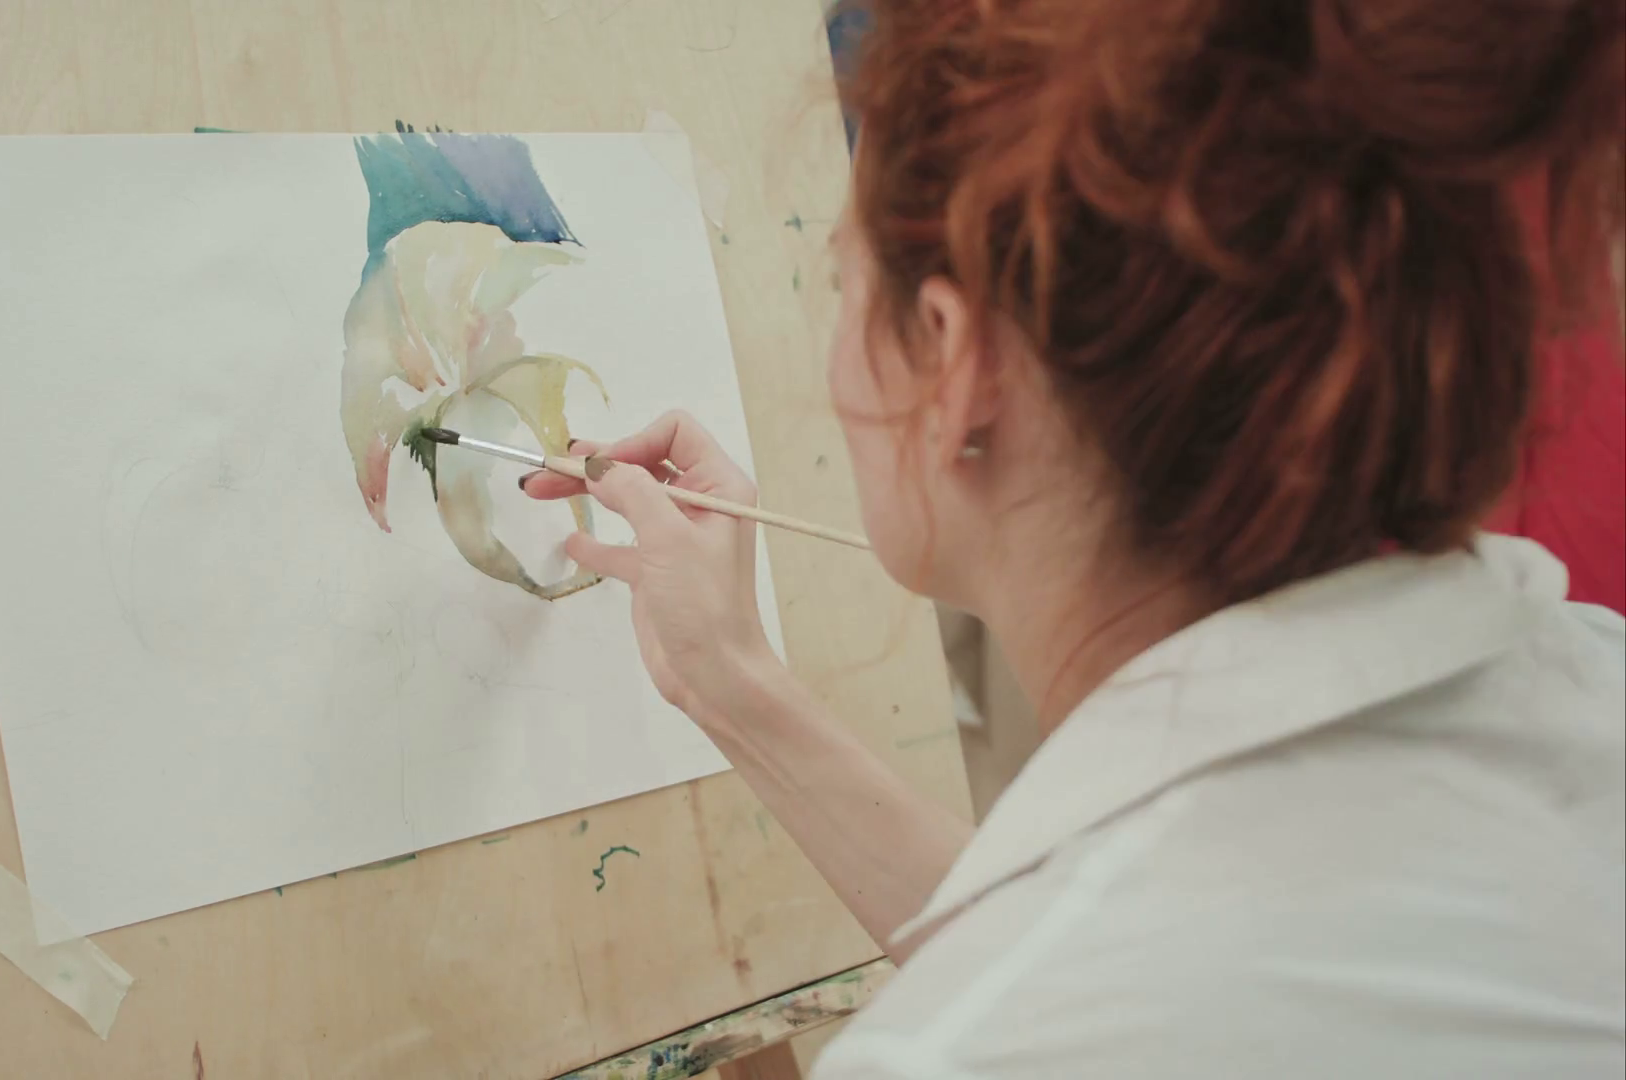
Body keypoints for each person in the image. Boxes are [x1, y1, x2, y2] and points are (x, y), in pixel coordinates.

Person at [529, 0, 1625, 1075]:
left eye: (839, 284)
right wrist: (725, 678)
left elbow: (1072, 997)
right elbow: (1107, 956)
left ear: (954, 367)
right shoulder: (1590, 684)